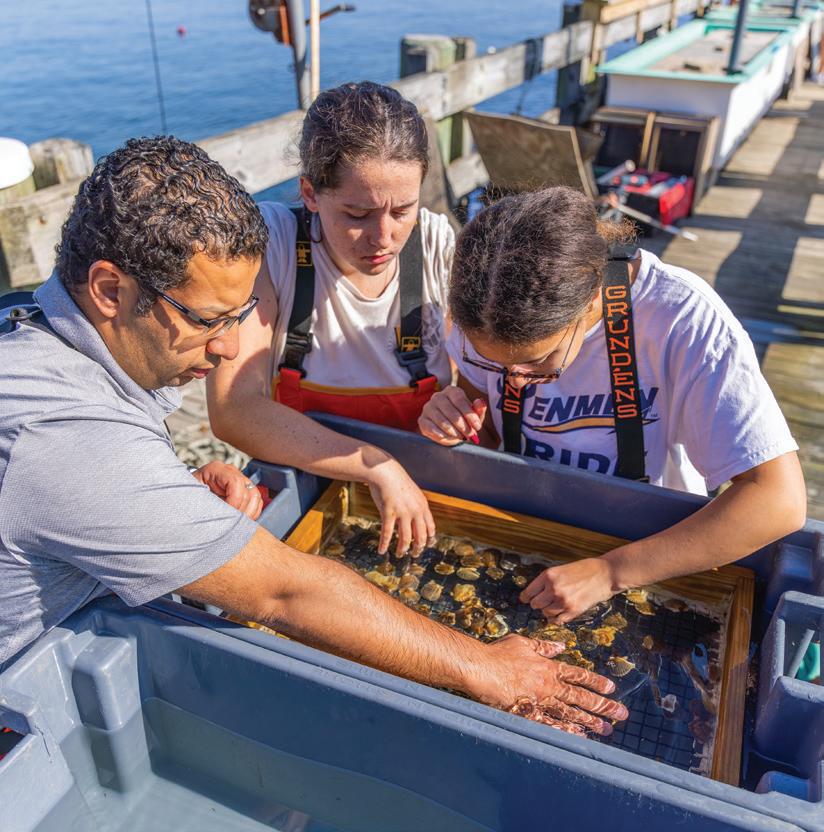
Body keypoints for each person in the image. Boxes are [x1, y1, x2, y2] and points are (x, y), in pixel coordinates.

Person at [0, 139, 627, 735]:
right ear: (110, 290)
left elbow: (59, 498)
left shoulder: (27, 328)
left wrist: (167, 491)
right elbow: (286, 594)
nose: (228, 349)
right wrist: (483, 666)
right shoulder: (68, 439)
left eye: (240, 317)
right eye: (208, 320)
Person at [419, 186, 806, 622]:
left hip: (649, 558)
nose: (516, 381)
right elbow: (487, 433)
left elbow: (778, 500)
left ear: (590, 299)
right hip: (527, 530)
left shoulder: (682, 320)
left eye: (537, 362)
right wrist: (453, 423)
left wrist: (610, 572)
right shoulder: (483, 307)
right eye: (490, 362)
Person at [207, 82, 454, 557]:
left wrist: (460, 405)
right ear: (310, 193)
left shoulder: (437, 246)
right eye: (358, 214)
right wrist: (375, 465)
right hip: (305, 498)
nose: (384, 237)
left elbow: (487, 384)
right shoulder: (275, 245)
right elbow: (233, 410)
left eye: (403, 210)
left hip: (419, 498)